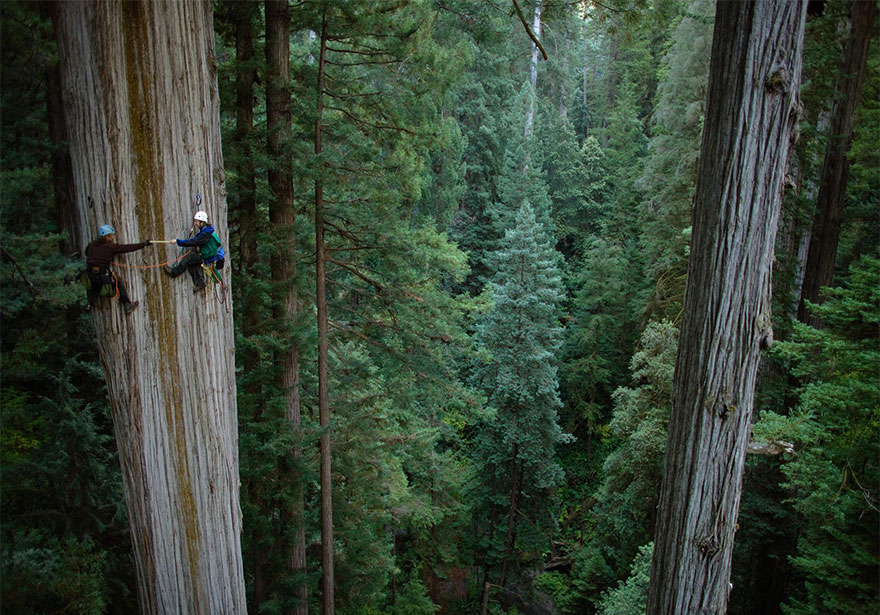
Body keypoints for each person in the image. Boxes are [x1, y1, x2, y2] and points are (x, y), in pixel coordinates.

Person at [84, 224, 152, 314]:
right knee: (117, 281)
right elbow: (127, 248)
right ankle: (127, 304)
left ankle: (88, 304)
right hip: (102, 277)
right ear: (107, 236)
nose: (113, 237)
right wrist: (144, 244)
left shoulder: (91, 245)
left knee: (91, 284)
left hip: (89, 275)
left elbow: (86, 253)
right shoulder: (111, 247)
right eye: (112, 235)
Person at [164, 210, 225, 292]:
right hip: (210, 254)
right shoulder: (207, 230)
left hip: (208, 256)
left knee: (188, 259)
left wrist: (177, 241)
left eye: (197, 221)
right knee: (191, 264)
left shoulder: (205, 233)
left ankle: (174, 272)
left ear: (202, 222)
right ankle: (200, 283)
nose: (195, 223)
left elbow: (193, 241)